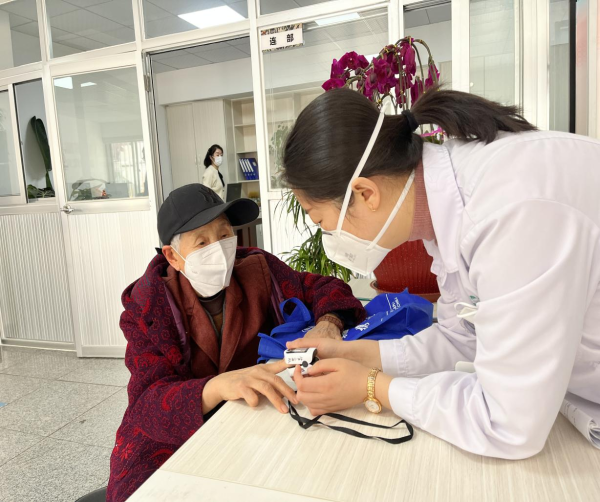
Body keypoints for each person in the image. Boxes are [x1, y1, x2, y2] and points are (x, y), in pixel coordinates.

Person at [283, 86, 600, 460]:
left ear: (366, 194)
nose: (330, 238)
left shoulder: (505, 211)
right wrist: (356, 355)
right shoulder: (451, 199)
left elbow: (507, 424)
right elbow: (462, 334)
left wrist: (373, 387)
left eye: (322, 221)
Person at [107, 184, 365, 502]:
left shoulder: (259, 271)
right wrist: (216, 387)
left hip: (251, 421)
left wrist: (329, 323)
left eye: (224, 234)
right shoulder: (147, 308)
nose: (219, 248)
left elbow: (324, 286)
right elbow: (147, 404)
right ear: (172, 256)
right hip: (170, 439)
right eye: (202, 242)